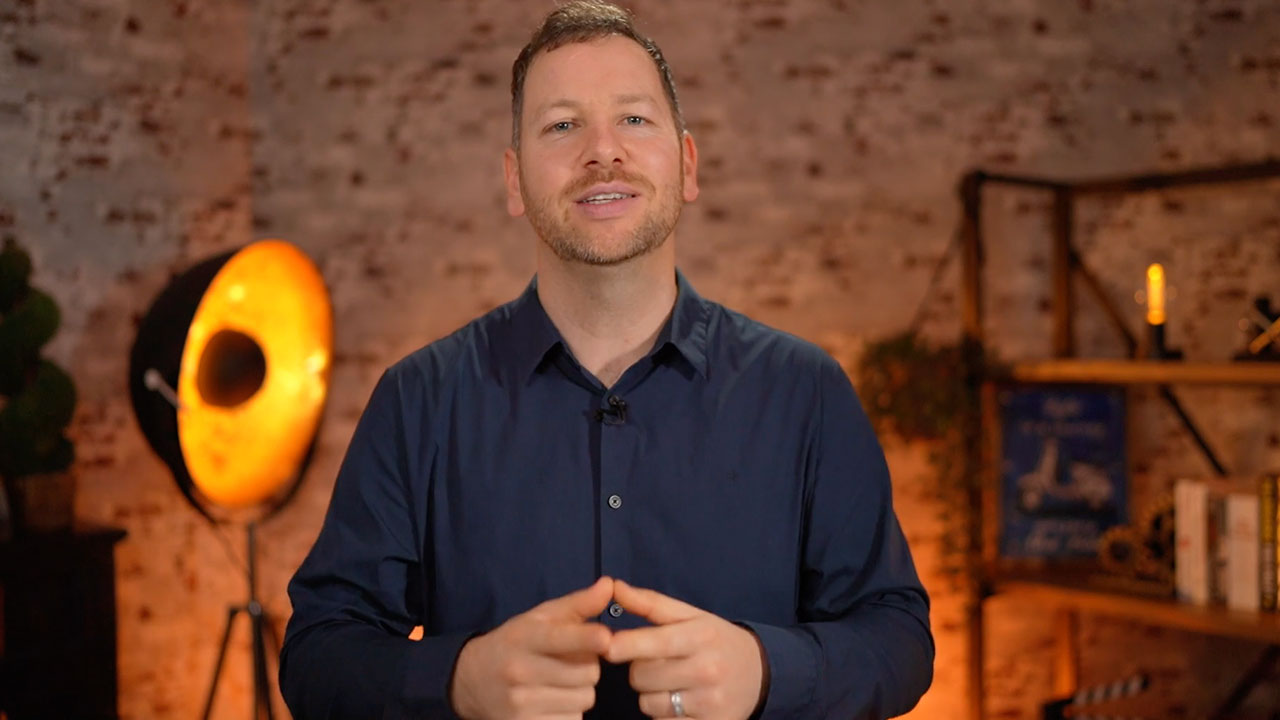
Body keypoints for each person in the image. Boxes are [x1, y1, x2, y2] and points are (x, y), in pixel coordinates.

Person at [279, 2, 934, 718]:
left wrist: (764, 669)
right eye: (563, 126)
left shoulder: (806, 391)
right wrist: (459, 678)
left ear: (687, 164)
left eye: (634, 118)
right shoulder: (418, 401)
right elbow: (318, 655)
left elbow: (898, 637)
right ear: (514, 181)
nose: (603, 151)